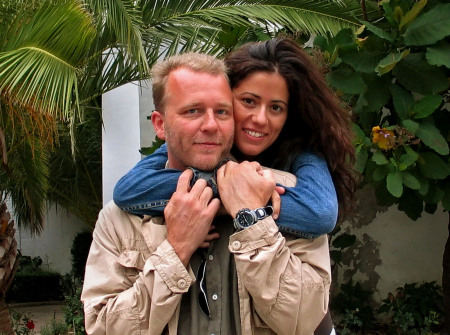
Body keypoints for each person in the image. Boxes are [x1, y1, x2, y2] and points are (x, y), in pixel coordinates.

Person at [81, 51, 333, 334]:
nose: (211, 125)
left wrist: (253, 219)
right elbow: (102, 328)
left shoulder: (283, 192)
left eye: (222, 112)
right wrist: (175, 251)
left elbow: (304, 320)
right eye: (193, 111)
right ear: (160, 124)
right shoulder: (120, 218)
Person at [114, 38, 357, 240]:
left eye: (276, 108)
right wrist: (230, 189)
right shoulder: (197, 146)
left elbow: (320, 213)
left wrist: (231, 202)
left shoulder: (301, 150)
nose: (261, 119)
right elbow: (130, 190)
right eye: (249, 101)